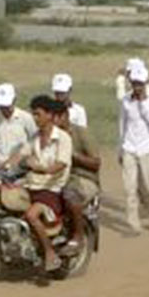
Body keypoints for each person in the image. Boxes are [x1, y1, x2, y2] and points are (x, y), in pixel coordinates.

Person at [18, 95, 72, 275]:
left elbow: (61, 164)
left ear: (49, 115)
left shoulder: (63, 138)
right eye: (33, 114)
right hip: (31, 185)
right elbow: (20, 155)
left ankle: (50, 253)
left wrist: (44, 169)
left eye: (38, 114)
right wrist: (0, 166)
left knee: (32, 215)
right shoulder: (34, 138)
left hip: (51, 189)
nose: (34, 118)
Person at [117, 62, 149, 232]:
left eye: (140, 84)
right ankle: (134, 222)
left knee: (148, 186)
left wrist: (143, 104)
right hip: (129, 147)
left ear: (146, 83)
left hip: (147, 148)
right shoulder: (125, 100)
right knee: (129, 188)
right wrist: (120, 147)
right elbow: (123, 123)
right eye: (134, 83)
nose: (137, 87)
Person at [56, 104, 100, 251]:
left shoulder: (81, 133)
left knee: (70, 194)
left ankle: (78, 236)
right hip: (58, 177)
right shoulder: (51, 135)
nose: (55, 121)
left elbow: (96, 163)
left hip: (83, 178)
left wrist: (73, 156)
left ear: (66, 116)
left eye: (58, 116)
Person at [0, 83, 32, 170]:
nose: (4, 109)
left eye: (7, 106)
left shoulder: (26, 118)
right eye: (1, 106)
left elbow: (34, 140)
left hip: (19, 166)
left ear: (14, 100)